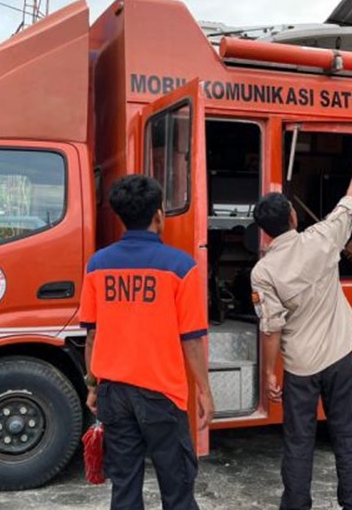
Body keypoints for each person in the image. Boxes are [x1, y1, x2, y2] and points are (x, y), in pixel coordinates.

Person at [250, 131, 352, 510]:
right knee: (349, 435)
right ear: (292, 217)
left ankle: (296, 505)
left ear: (264, 231)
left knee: (298, 441)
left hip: (300, 367)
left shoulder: (263, 272)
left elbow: (271, 328)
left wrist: (271, 372)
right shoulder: (322, 239)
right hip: (340, 358)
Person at [79, 174, 215, 510]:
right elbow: (192, 339)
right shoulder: (181, 267)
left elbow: (92, 334)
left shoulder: (98, 265)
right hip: (161, 396)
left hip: (114, 392)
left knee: (124, 487)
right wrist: (204, 390)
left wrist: (93, 385)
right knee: (177, 485)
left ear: (121, 216)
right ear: (159, 215)